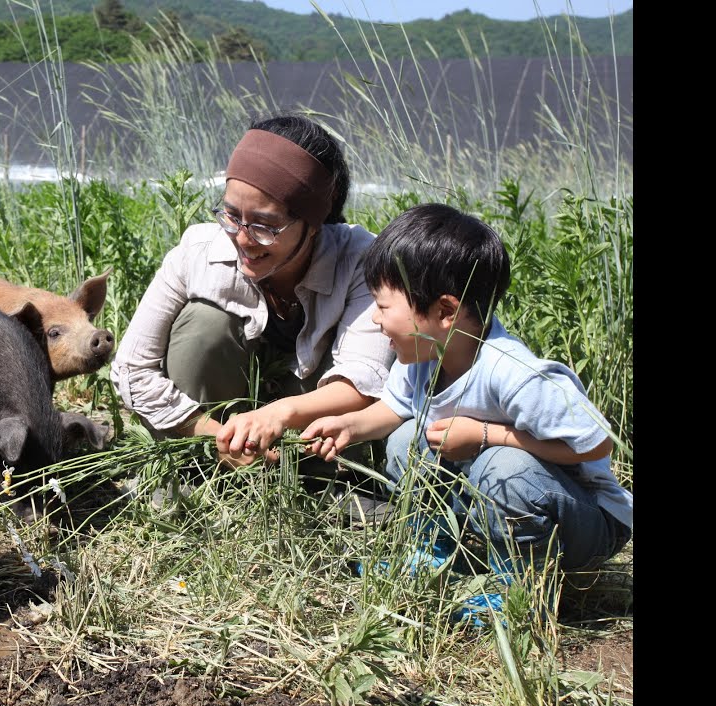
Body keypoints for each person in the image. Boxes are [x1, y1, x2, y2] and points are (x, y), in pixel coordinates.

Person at [298, 202, 633, 625]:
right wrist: (349, 425)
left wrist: (486, 435)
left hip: (589, 520)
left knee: (503, 465)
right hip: (511, 501)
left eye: (383, 306)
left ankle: (521, 590)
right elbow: (394, 408)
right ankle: (434, 553)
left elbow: (596, 441)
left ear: (444, 312)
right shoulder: (420, 355)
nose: (374, 319)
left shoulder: (514, 372)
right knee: (405, 440)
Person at [110, 115, 395, 469]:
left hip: (312, 436)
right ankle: (202, 471)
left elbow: (365, 379)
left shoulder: (361, 262)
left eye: (265, 226)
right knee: (204, 323)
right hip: (217, 430)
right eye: (231, 216)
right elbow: (132, 370)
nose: (243, 239)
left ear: (314, 222)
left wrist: (278, 414)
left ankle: (311, 479)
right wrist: (218, 437)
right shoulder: (199, 252)